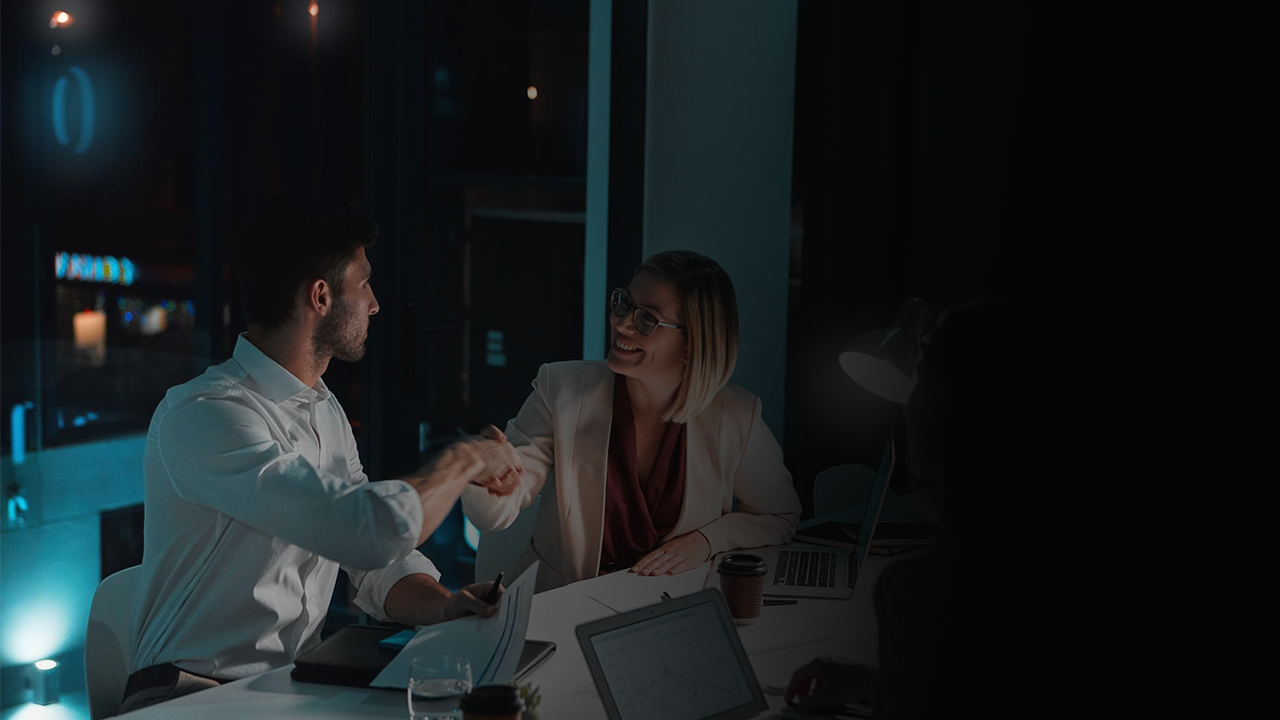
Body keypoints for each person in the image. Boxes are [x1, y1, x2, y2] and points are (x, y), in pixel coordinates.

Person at [123, 197, 522, 712]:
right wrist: (465, 460)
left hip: (285, 690)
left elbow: (376, 563)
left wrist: (444, 608)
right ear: (321, 297)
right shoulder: (205, 415)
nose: (376, 303)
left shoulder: (323, 409)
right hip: (185, 695)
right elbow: (365, 529)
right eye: (364, 282)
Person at [462, 250, 801, 592]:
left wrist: (707, 541)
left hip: (673, 614)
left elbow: (780, 516)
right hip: (563, 606)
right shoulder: (561, 390)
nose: (621, 322)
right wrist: (487, 477)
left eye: (647, 319)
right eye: (624, 303)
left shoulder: (737, 415)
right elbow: (495, 512)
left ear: (692, 342)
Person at [783, 299, 1038, 718]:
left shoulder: (923, 591)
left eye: (921, 379)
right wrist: (876, 682)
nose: (907, 398)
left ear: (952, 411)